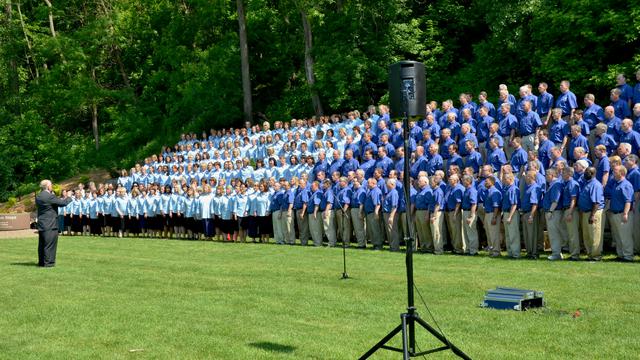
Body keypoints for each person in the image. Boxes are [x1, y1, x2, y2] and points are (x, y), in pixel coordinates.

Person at [36, 180, 72, 267]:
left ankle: (42, 262)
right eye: (51, 185)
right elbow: (62, 203)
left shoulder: (38, 196)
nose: (52, 186)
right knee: (50, 245)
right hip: (50, 224)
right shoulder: (49, 196)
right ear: (48, 186)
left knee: (42, 244)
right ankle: (49, 263)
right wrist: (69, 197)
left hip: (42, 223)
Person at [578, 167, 604, 261]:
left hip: (594, 212)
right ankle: (590, 255)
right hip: (586, 212)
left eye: (587, 171)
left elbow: (596, 202)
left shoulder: (595, 184)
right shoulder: (587, 183)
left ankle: (596, 256)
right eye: (585, 171)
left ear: (592, 173)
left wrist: (592, 215)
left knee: (595, 235)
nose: (585, 173)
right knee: (587, 235)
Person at [609, 165, 635, 261]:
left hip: (622, 214)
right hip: (615, 213)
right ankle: (620, 255)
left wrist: (625, 213)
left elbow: (628, 201)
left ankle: (628, 256)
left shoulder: (626, 185)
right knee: (618, 236)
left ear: (622, 173)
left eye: (615, 171)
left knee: (625, 236)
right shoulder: (616, 183)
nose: (613, 173)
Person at [461, 174, 478, 255]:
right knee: (466, 232)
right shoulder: (466, 189)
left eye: (464, 180)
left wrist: (471, 216)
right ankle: (468, 249)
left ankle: (473, 251)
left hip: (470, 212)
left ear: (468, 181)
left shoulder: (472, 190)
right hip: (465, 211)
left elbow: (474, 204)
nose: (462, 181)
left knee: (471, 232)